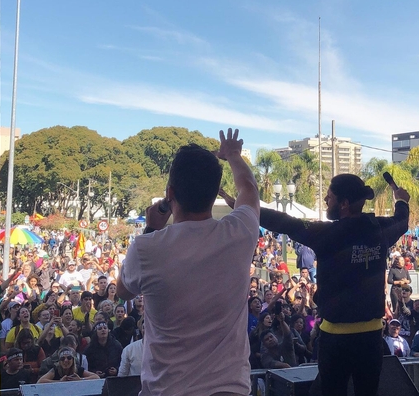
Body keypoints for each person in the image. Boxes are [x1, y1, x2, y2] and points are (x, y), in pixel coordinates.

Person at [117, 129, 260, 395]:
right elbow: (248, 189)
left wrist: (151, 230)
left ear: (170, 193)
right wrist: (232, 155)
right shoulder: (240, 232)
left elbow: (122, 292)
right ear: (215, 193)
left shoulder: (147, 248)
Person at [258, 173, 409, 396]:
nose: (326, 201)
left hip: (335, 341)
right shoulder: (380, 228)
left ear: (344, 203)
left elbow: (286, 223)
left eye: (329, 197)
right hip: (371, 340)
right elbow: (402, 220)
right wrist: (401, 201)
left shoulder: (327, 233)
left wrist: (250, 208)